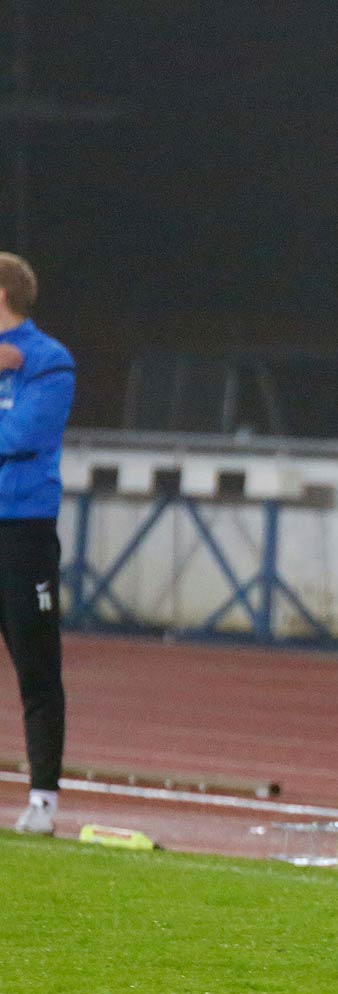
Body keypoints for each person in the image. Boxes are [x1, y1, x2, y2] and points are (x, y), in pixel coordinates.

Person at [0, 254, 75, 837]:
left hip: (22, 533)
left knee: (36, 667)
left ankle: (43, 801)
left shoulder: (49, 360)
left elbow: (22, 435)